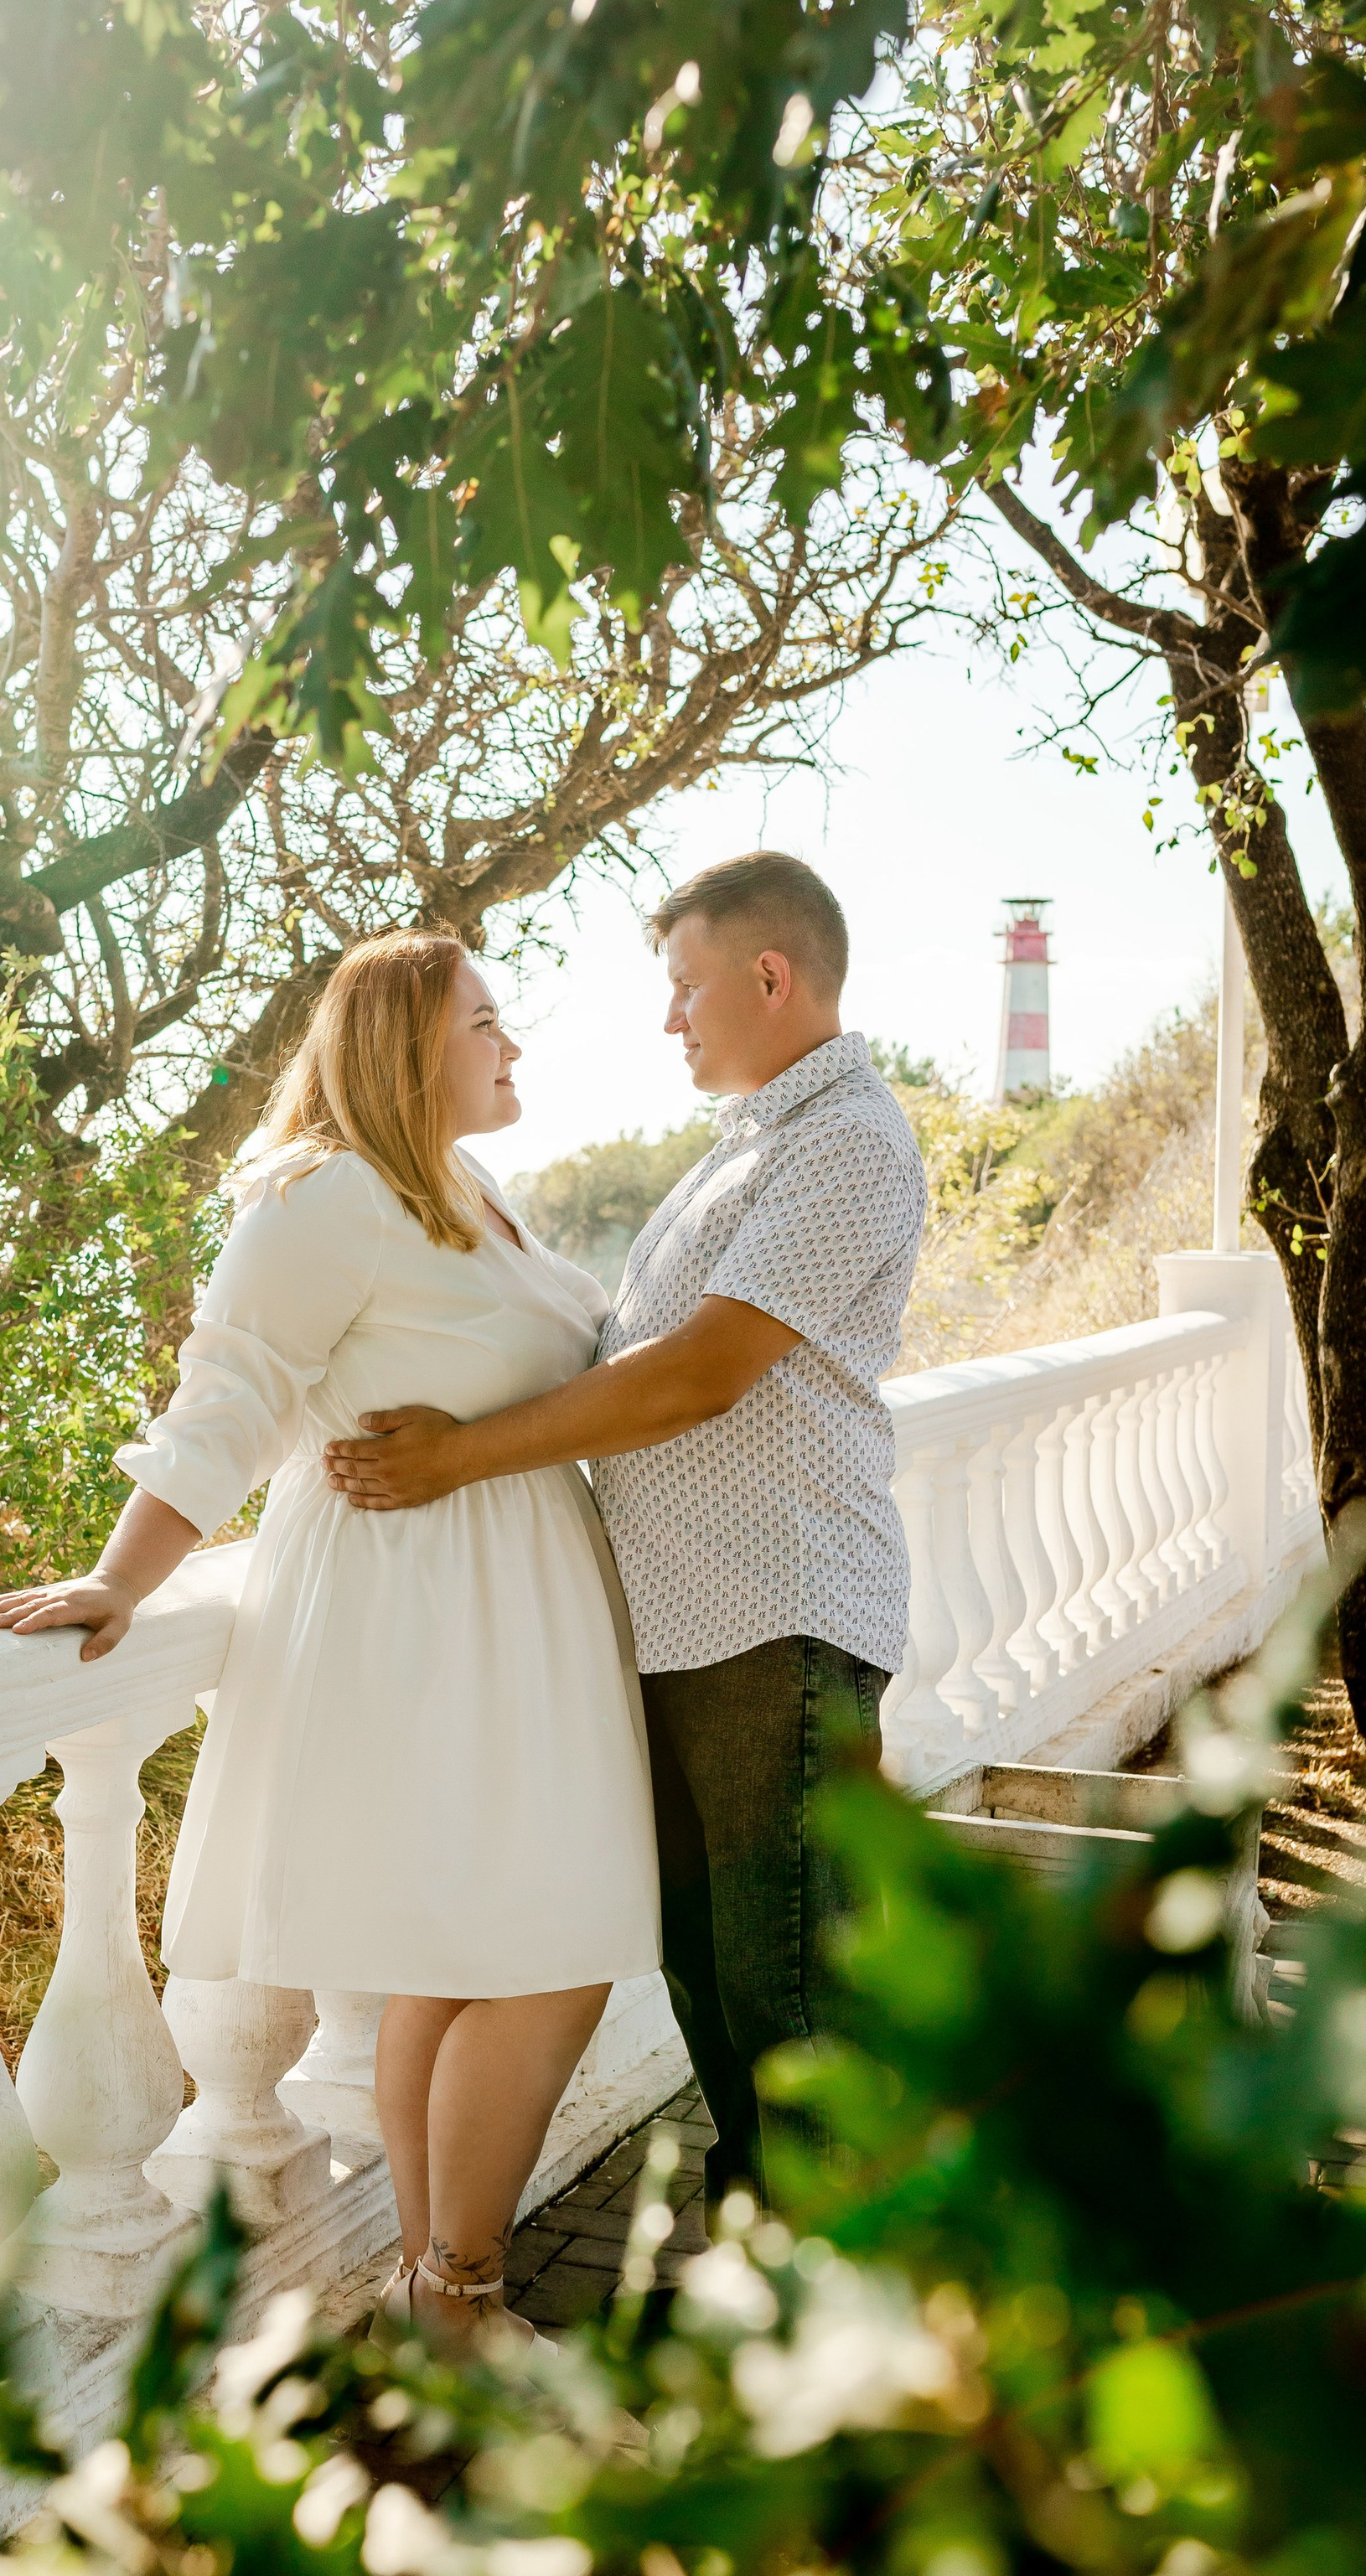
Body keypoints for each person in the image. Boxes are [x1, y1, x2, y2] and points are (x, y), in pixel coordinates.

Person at [0, 929, 659, 2352]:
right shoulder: (324, 1197)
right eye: (487, 1021)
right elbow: (230, 1395)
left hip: (509, 1612)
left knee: (471, 1956)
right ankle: (461, 2293)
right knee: (548, 1950)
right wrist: (123, 1578)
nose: (512, 1046)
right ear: (412, 1045)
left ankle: (436, 2293)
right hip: (422, 1614)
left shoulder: (467, 1190)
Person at [324, 852, 927, 2214]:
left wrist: (458, 1458)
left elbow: (696, 1373)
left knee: (794, 1991)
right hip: (691, 1627)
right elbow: (622, 1350)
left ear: (770, 978)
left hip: (776, 1622)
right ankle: (770, 2277)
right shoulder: (753, 1145)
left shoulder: (847, 1140)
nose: (671, 1020)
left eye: (685, 987)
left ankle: (844, 2315)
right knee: (715, 1974)